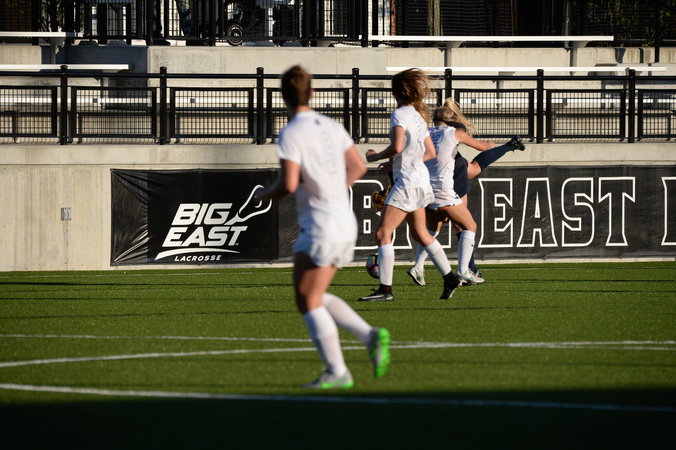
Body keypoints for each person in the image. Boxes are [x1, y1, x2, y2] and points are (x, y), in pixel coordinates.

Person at [255, 66, 391, 389]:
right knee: (313, 294)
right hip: (343, 219)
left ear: (283, 96)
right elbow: (358, 166)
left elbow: (288, 184)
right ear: (312, 93)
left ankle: (338, 370)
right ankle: (368, 336)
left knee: (307, 298)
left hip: (321, 223)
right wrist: (333, 190)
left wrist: (264, 194)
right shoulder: (331, 125)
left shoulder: (291, 132)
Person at [358, 68, 461, 302]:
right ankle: (450, 278)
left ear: (396, 92)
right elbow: (430, 152)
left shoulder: (400, 114)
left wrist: (375, 157)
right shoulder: (418, 115)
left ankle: (385, 290)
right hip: (421, 181)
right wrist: (394, 163)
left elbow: (396, 146)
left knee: (383, 233)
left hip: (407, 182)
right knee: (420, 233)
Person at [407, 99, 526, 287]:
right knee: (469, 226)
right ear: (452, 121)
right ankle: (464, 271)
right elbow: (484, 148)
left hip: (425, 189)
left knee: (432, 228)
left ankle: (418, 267)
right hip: (443, 190)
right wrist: (493, 144)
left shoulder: (425, 133)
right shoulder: (454, 133)